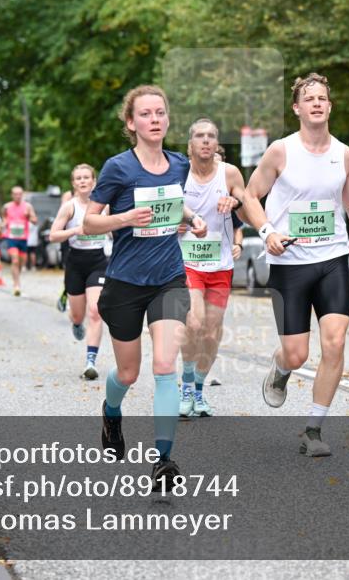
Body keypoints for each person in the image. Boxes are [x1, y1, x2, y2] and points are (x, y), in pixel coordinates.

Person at [240, 73, 349, 457]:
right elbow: (251, 196)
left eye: (322, 98)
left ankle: (314, 429)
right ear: (298, 109)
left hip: (332, 258)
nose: (317, 103)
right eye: (309, 99)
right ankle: (282, 367)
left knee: (335, 341)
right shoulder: (280, 152)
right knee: (297, 353)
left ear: (330, 107)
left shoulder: (344, 154)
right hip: (289, 262)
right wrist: (267, 231)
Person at [83, 85, 207, 490]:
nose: (154, 119)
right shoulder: (118, 168)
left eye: (160, 113)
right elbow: (89, 222)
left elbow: (173, 205)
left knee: (165, 367)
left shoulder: (177, 165)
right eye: (146, 114)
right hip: (125, 282)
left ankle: (164, 460)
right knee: (128, 372)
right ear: (131, 123)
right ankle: (111, 412)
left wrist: (193, 218)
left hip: (169, 279)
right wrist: (124, 219)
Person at [178, 119, 246, 418]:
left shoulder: (229, 173)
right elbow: (164, 214)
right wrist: (178, 224)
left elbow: (247, 210)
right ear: (190, 144)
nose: (205, 141)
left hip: (220, 266)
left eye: (211, 136)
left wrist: (235, 202)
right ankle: (186, 385)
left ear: (217, 144)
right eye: (199, 136)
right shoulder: (178, 174)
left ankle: (200, 390)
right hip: (187, 261)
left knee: (211, 332)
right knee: (194, 323)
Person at [50, 163, 110, 380]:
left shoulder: (104, 206)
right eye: (79, 178)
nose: (83, 181)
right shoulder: (69, 206)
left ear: (94, 181)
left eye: (87, 177)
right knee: (78, 314)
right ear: (73, 183)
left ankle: (90, 361)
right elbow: (53, 235)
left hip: (98, 261)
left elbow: (114, 230)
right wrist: (76, 229)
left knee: (95, 311)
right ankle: (76, 323)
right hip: (75, 263)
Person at [0, 186, 37, 296]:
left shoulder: (28, 206)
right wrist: (3, 224)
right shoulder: (7, 207)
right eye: (15, 194)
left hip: (23, 238)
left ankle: (17, 278)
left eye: (20, 194)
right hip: (11, 237)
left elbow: (35, 220)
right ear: (12, 195)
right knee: (15, 260)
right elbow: (4, 218)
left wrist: (28, 217)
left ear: (22, 195)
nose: (17, 196)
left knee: (21, 263)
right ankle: (16, 285)